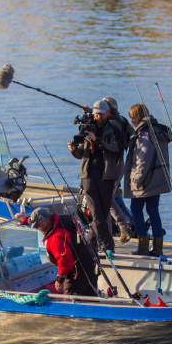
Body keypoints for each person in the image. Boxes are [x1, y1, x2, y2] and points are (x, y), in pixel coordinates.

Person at [68, 99, 119, 253]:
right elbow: (81, 154)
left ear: (107, 113)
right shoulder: (86, 128)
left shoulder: (112, 129)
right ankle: (109, 247)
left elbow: (115, 150)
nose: (98, 116)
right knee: (96, 213)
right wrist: (73, 150)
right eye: (96, 114)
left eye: (101, 114)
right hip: (88, 176)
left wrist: (97, 140)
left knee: (103, 214)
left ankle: (89, 245)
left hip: (106, 176)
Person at [123, 103, 172, 256]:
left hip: (145, 181)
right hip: (156, 180)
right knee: (153, 211)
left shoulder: (145, 134)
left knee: (136, 210)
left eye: (132, 117)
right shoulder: (157, 131)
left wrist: (136, 180)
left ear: (138, 117)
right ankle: (157, 248)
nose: (131, 120)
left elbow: (143, 161)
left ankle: (143, 247)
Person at [14, 207, 98, 296]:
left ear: (44, 220)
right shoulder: (63, 219)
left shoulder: (55, 237)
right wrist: (24, 220)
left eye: (36, 225)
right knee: (91, 295)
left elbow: (65, 260)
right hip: (92, 261)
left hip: (79, 270)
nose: (36, 228)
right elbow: (38, 220)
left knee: (71, 298)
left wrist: (59, 280)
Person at [103, 96, 135, 244]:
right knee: (108, 199)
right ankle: (110, 233)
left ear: (108, 110)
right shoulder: (122, 120)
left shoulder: (110, 123)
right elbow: (131, 133)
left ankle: (123, 227)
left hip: (112, 165)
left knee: (107, 199)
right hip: (120, 164)